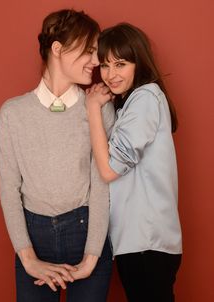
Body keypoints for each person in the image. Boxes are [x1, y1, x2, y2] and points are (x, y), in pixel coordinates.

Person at [0, 9, 115, 302]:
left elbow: (102, 186)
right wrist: (28, 259)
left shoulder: (99, 108)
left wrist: (91, 257)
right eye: (89, 50)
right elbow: (9, 190)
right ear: (57, 49)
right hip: (33, 241)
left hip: (88, 236)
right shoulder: (12, 114)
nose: (97, 61)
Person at [86, 23, 182, 302]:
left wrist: (92, 109)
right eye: (105, 65)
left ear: (138, 63)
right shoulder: (133, 102)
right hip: (141, 242)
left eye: (120, 64)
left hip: (147, 242)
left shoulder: (145, 98)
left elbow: (108, 169)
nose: (111, 74)